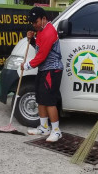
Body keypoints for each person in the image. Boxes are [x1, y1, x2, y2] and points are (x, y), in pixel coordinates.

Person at [21, 7, 64, 142]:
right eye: (32, 22)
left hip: (52, 70)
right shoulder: (40, 31)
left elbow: (42, 56)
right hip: (43, 70)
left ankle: (56, 131)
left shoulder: (49, 32)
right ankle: (44, 127)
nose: (34, 24)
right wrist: (32, 39)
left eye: (36, 21)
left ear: (44, 19)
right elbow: (39, 47)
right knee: (40, 98)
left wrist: (27, 65)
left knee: (49, 101)